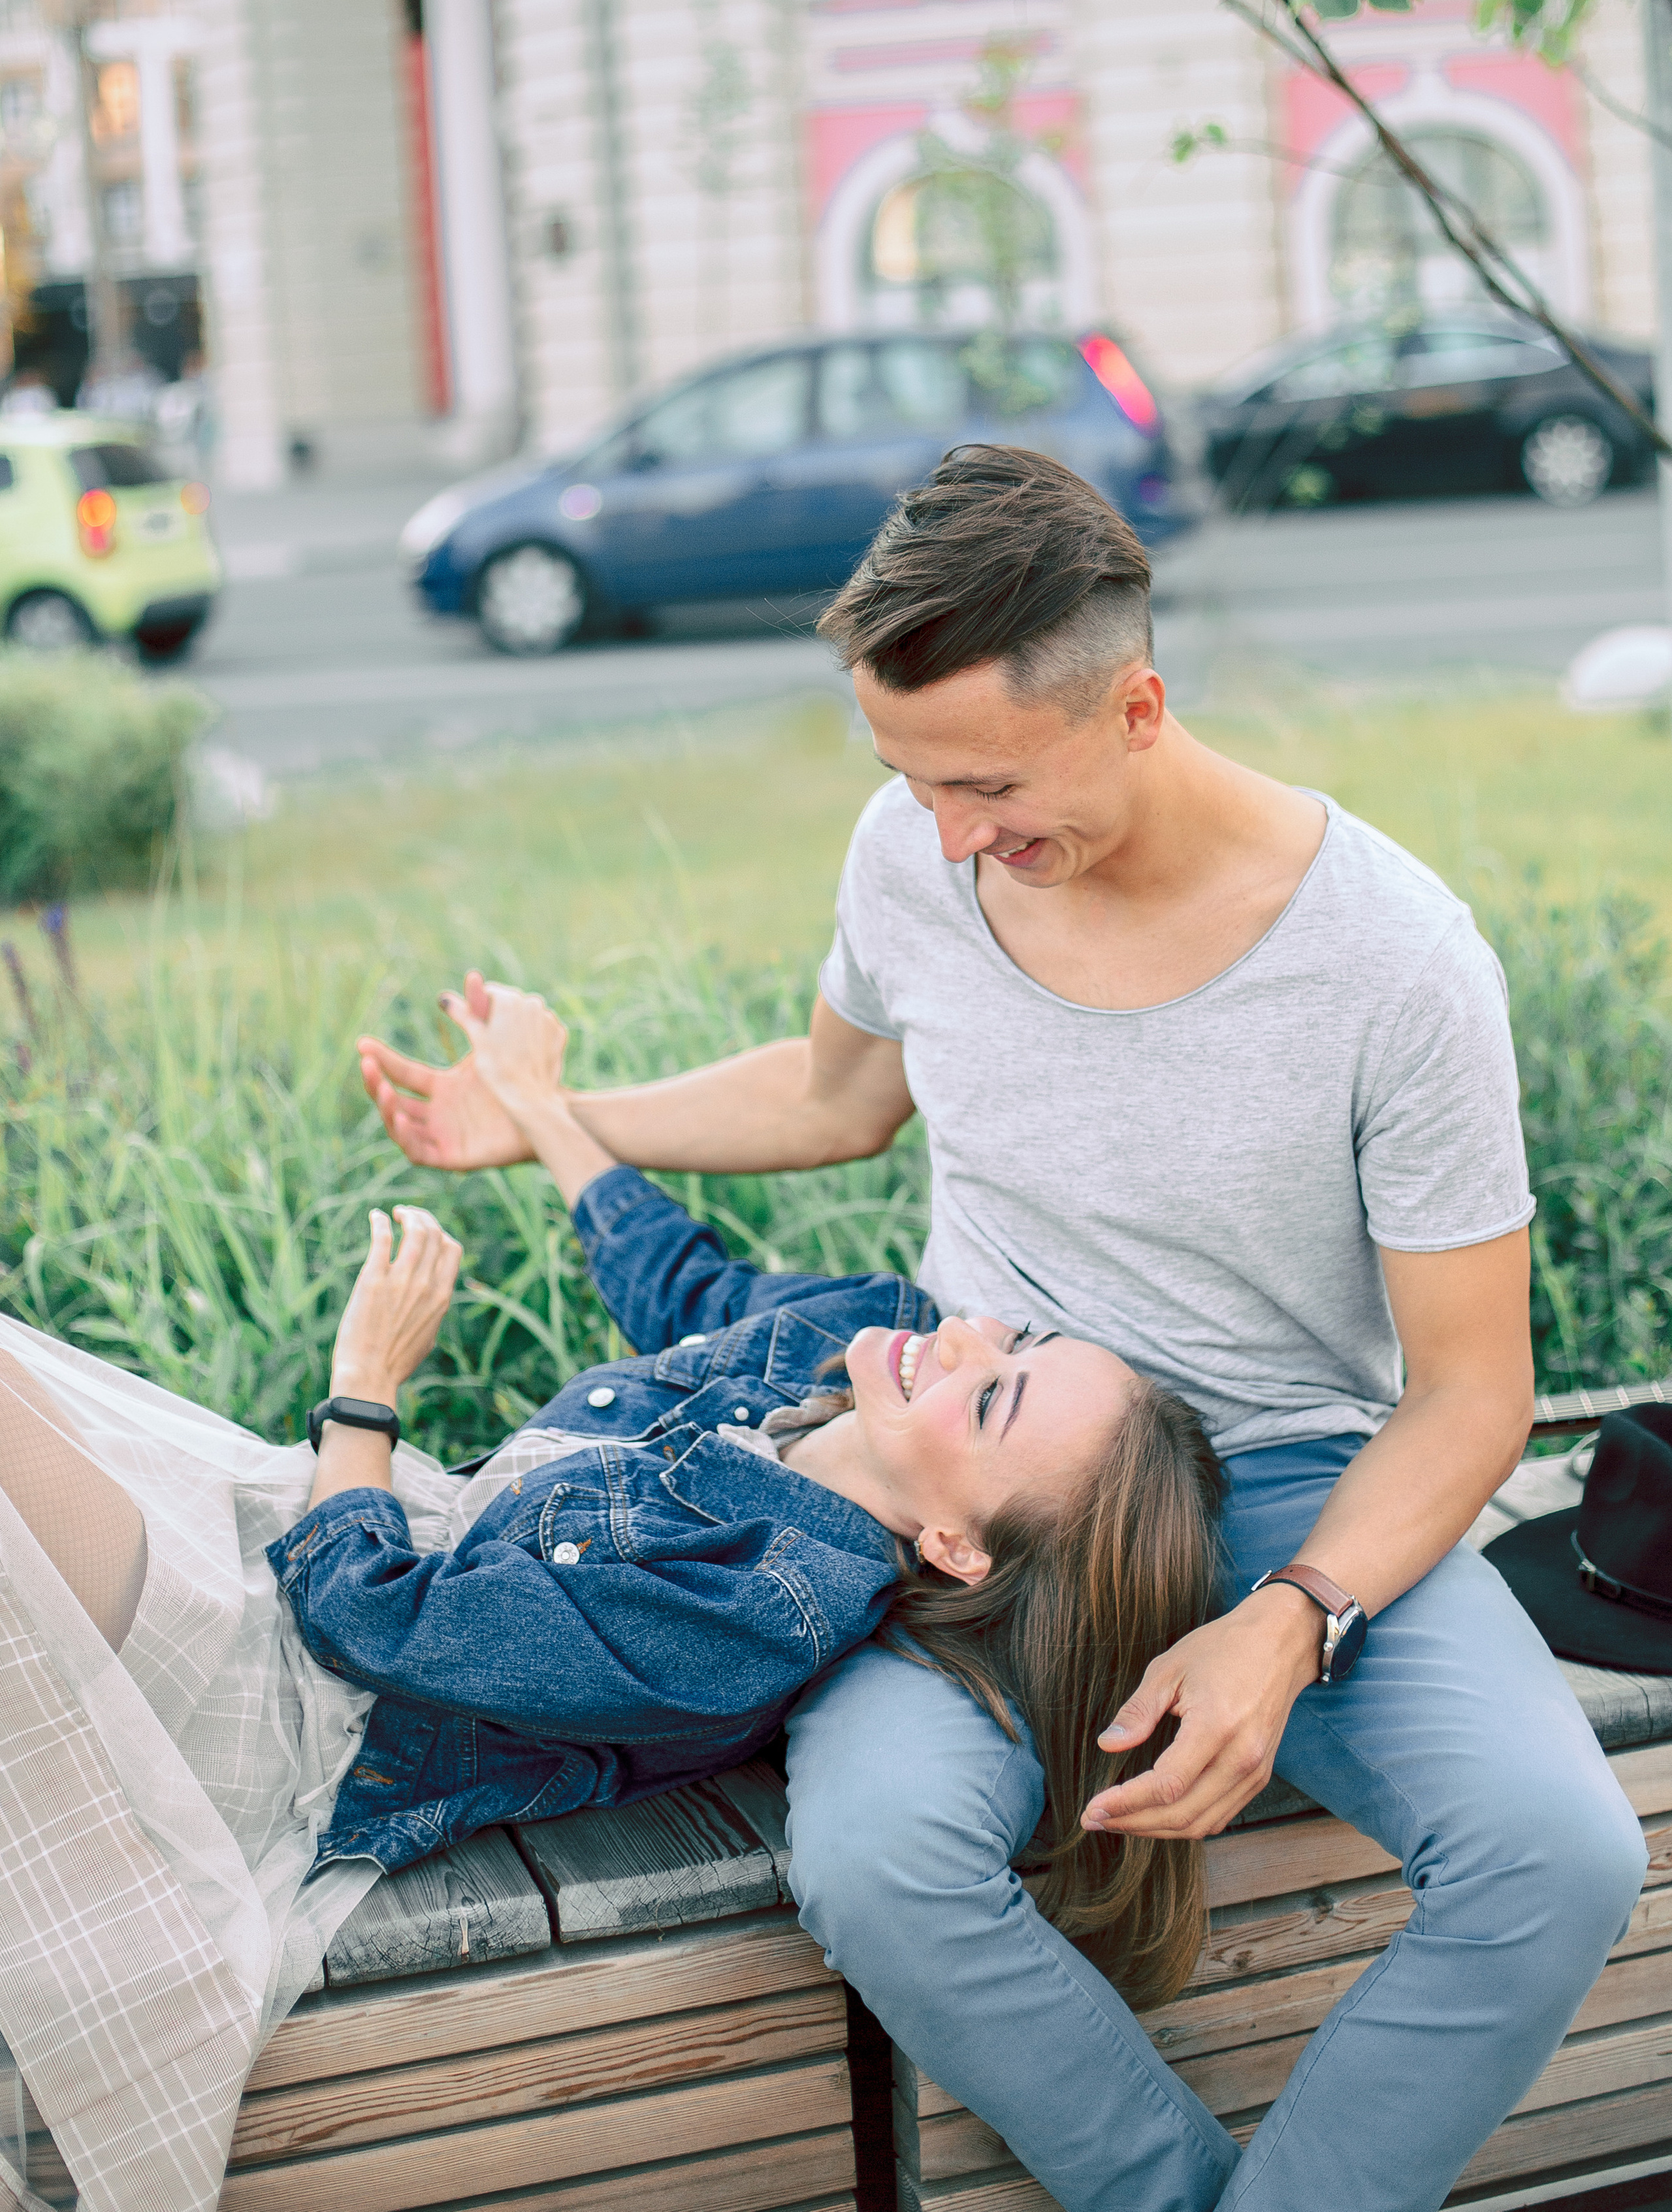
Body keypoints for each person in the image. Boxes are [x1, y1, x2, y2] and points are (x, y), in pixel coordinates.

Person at [361, 443, 1650, 2212]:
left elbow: (1476, 1395)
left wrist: (1286, 1627)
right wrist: (557, 1122)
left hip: (1285, 1488)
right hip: (983, 1498)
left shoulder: (1398, 964)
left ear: (1138, 704)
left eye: (984, 785)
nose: (951, 838)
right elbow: (832, 1100)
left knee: (1558, 1855)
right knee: (882, 1863)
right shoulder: (914, 845)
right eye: (913, 782)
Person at [0, 985, 1222, 2204]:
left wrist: (363, 1385)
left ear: (957, 1547)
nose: (971, 1341)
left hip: (288, 1698)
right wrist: (541, 1109)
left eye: (995, 1397)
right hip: (293, 1535)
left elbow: (372, 1621)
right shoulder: (861, 1335)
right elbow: (679, 1284)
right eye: (1022, 1345)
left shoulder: (757, 1611)